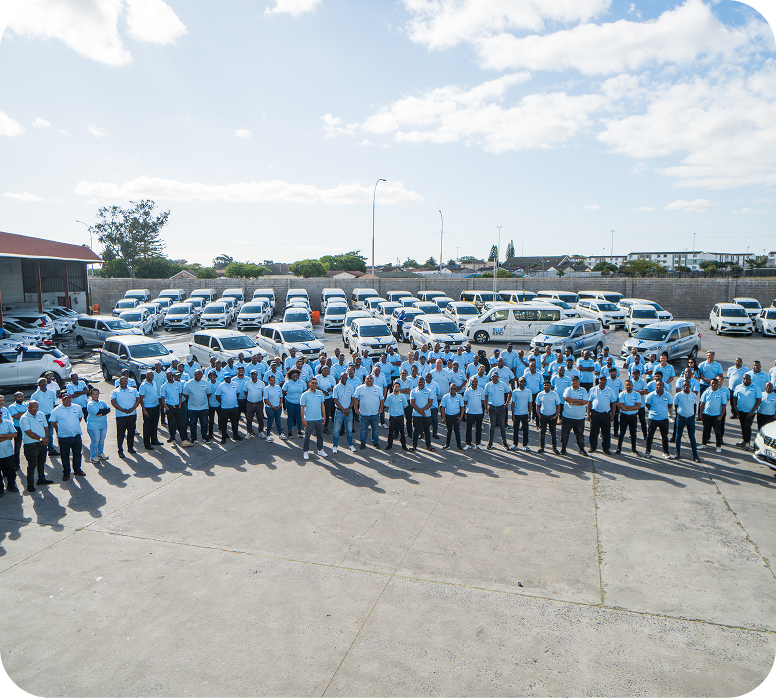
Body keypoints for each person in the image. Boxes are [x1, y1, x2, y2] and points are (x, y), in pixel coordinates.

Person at [49, 393, 85, 480]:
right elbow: (53, 422)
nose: (68, 400)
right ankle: (66, 472)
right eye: (66, 399)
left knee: (77, 453)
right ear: (62, 400)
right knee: (65, 455)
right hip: (64, 437)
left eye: (69, 398)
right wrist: (59, 429)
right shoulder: (56, 410)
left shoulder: (77, 407)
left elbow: (80, 418)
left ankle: (77, 469)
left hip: (76, 435)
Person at [20, 400, 54, 492]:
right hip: (31, 445)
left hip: (42, 443)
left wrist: (46, 438)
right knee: (32, 465)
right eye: (33, 407)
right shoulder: (24, 418)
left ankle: (41, 479)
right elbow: (28, 432)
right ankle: (30, 485)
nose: (35, 409)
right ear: (28, 408)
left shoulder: (41, 414)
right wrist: (41, 439)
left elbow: (46, 427)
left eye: (36, 407)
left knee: (41, 462)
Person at [110, 376, 141, 458]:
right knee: (120, 434)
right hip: (121, 416)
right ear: (119, 382)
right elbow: (113, 402)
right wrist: (122, 410)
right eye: (122, 381)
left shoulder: (133, 390)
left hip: (132, 415)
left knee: (131, 432)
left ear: (127, 382)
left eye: (125, 381)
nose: (123, 383)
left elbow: (138, 399)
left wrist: (133, 408)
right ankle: (120, 450)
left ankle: (130, 448)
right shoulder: (115, 391)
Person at [160, 371, 192, 447]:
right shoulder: (164, 386)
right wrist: (167, 408)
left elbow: (180, 395)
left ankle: (183, 440)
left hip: (177, 407)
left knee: (180, 424)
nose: (170, 376)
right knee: (171, 424)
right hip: (170, 407)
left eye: (171, 375)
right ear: (166, 376)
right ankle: (173, 440)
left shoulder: (178, 384)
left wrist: (180, 405)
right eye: (169, 375)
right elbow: (162, 399)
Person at [587, 376, 616, 455]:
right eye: (601, 380)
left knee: (606, 432)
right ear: (598, 380)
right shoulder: (593, 390)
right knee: (593, 431)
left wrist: (613, 414)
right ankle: (593, 447)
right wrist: (588, 413)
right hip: (595, 414)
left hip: (605, 414)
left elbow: (613, 403)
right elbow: (589, 402)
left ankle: (606, 448)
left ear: (606, 381)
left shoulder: (610, 391)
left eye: (604, 380)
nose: (602, 381)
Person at [31, 377, 59, 456]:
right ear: (38, 384)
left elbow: (54, 403)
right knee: (41, 433)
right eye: (41, 382)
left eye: (44, 382)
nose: (43, 383)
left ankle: (51, 449)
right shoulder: (35, 395)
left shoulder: (51, 393)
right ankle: (41, 449)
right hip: (40, 416)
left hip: (50, 415)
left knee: (50, 433)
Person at [732, 374, 761, 449]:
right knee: (742, 425)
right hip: (740, 410)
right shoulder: (738, 387)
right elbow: (734, 398)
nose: (745, 380)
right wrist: (735, 408)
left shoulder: (756, 388)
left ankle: (747, 442)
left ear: (750, 379)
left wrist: (753, 411)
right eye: (744, 379)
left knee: (747, 426)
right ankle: (744, 440)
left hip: (750, 411)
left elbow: (759, 401)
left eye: (747, 379)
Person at [300, 377, 327, 460]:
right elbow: (302, 408)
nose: (314, 384)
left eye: (316, 383)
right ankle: (305, 451)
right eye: (313, 383)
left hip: (319, 418)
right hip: (309, 419)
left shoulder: (320, 393)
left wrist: (324, 416)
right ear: (309, 384)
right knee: (307, 436)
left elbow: (322, 405)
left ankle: (320, 449)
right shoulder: (305, 395)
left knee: (320, 435)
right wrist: (303, 420)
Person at [560, 376, 588, 456]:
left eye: (576, 381)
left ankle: (581, 449)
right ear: (571, 382)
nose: (575, 383)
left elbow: (585, 402)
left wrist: (572, 402)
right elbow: (566, 398)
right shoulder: (568, 389)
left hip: (579, 418)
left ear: (579, 382)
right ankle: (563, 448)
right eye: (573, 381)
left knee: (580, 435)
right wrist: (579, 400)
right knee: (565, 434)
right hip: (567, 417)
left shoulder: (583, 390)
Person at [644, 381, 672, 459]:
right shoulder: (651, 395)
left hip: (664, 418)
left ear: (663, 386)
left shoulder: (668, 395)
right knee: (650, 436)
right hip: (653, 418)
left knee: (664, 436)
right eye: (657, 385)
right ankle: (648, 451)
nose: (659, 386)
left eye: (660, 385)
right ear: (655, 386)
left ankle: (666, 452)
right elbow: (647, 405)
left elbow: (670, 405)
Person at [355, 374, 384, 450]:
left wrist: (381, 409)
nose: (369, 380)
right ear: (365, 380)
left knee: (375, 429)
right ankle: (363, 443)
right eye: (368, 378)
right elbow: (356, 399)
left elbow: (381, 399)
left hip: (375, 413)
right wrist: (356, 409)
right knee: (363, 429)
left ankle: (375, 442)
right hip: (363, 413)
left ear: (373, 380)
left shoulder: (378, 389)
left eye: (371, 378)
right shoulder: (359, 388)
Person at [674, 380, 700, 462]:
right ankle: (677, 452)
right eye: (684, 385)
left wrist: (693, 415)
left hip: (690, 419)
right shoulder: (678, 395)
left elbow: (694, 405)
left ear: (690, 386)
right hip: (681, 418)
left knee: (692, 437)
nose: (686, 386)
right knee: (678, 435)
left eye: (688, 385)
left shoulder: (693, 395)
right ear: (682, 386)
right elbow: (676, 406)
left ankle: (695, 455)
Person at [483, 372, 510, 451]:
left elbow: (509, 392)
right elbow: (485, 396)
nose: (494, 378)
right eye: (493, 377)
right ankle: (490, 443)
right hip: (492, 408)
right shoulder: (488, 385)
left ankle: (504, 443)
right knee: (492, 426)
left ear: (498, 377)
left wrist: (507, 403)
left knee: (502, 426)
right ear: (491, 378)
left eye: (496, 376)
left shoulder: (503, 384)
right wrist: (486, 407)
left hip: (501, 408)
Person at [184, 369, 212, 444]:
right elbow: (185, 394)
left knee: (204, 423)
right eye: (198, 374)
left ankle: (204, 437)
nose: (199, 375)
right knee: (193, 424)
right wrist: (193, 399)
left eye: (201, 374)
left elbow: (208, 393)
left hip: (204, 407)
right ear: (194, 374)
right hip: (192, 408)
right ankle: (194, 438)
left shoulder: (206, 383)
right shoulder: (188, 383)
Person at [331, 371, 356, 454]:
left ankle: (350, 445)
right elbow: (335, 400)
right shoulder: (336, 388)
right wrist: (343, 410)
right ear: (340, 378)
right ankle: (335, 446)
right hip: (339, 412)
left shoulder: (350, 387)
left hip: (349, 411)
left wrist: (349, 408)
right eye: (343, 377)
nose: (344, 379)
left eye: (346, 378)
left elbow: (353, 399)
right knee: (336, 430)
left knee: (349, 430)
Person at [700, 378, 726, 453]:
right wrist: (701, 414)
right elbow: (702, 403)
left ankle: (718, 446)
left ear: (718, 384)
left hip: (716, 416)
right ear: (710, 384)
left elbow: (724, 406)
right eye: (712, 383)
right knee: (705, 430)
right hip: (707, 415)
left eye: (715, 383)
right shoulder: (706, 392)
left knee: (717, 432)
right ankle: (704, 444)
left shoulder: (721, 393)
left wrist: (721, 416)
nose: (714, 385)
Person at [535, 380, 562, 454]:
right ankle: (542, 447)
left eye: (548, 385)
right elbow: (537, 405)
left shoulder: (554, 394)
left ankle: (554, 448)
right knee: (542, 432)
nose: (546, 387)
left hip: (552, 417)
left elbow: (558, 405)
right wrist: (539, 415)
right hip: (543, 416)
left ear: (550, 386)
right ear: (543, 386)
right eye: (545, 385)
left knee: (553, 433)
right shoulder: (540, 394)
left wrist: (556, 415)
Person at [409, 377, 434, 452]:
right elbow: (412, 403)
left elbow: (430, 403)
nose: (421, 383)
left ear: (424, 382)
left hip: (426, 414)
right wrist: (420, 411)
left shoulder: (429, 391)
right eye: (419, 382)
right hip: (416, 415)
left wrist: (422, 411)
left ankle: (428, 445)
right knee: (416, 430)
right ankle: (414, 446)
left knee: (427, 430)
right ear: (417, 383)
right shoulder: (413, 391)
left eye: (422, 382)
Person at [616, 380, 641, 455]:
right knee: (621, 433)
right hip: (624, 416)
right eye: (626, 385)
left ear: (632, 386)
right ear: (624, 386)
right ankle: (619, 449)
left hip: (633, 416)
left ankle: (634, 449)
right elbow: (621, 406)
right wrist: (633, 407)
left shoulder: (637, 394)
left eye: (629, 385)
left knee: (633, 433)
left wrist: (627, 408)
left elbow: (638, 406)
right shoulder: (622, 394)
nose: (628, 386)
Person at [215, 373, 242, 442]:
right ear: (224, 378)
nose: (228, 379)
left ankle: (235, 435)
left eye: (229, 377)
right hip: (225, 408)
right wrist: (224, 402)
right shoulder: (220, 386)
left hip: (234, 407)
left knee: (235, 422)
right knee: (224, 423)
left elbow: (237, 394)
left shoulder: (235, 384)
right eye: (226, 378)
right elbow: (217, 396)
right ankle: (224, 437)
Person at [138, 371, 162, 450]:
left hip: (155, 406)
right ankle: (147, 444)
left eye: (152, 375)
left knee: (154, 425)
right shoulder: (143, 385)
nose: (151, 376)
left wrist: (159, 404)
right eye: (150, 375)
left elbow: (156, 394)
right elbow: (141, 399)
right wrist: (144, 410)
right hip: (148, 408)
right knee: (147, 426)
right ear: (146, 376)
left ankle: (154, 440)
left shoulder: (154, 383)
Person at [86, 388, 110, 464]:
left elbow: (108, 409)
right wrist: (103, 411)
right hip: (94, 426)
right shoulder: (90, 404)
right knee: (95, 441)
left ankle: (100, 454)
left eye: (97, 394)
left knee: (101, 440)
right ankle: (93, 457)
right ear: (91, 395)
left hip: (103, 425)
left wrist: (101, 413)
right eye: (94, 394)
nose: (95, 396)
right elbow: (98, 412)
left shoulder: (102, 402)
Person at [384, 382, 409, 451]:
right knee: (391, 432)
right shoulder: (390, 396)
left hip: (400, 416)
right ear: (393, 387)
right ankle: (389, 445)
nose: (397, 388)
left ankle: (403, 445)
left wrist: (399, 409)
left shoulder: (402, 396)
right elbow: (386, 405)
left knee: (402, 432)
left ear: (399, 388)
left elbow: (405, 405)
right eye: (395, 387)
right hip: (392, 416)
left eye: (398, 387)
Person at [463, 376, 485, 450]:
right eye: (473, 382)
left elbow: (482, 400)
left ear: (477, 382)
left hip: (479, 412)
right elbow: (465, 401)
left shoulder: (481, 390)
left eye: (475, 382)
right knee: (468, 429)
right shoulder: (467, 391)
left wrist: (477, 405)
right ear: (470, 382)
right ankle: (468, 444)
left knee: (478, 429)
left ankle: (478, 444)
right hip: (470, 412)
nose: (474, 383)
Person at [510, 377, 532, 451]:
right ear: (518, 382)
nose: (522, 383)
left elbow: (530, 403)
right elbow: (513, 403)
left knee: (525, 430)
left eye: (524, 382)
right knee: (515, 430)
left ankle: (525, 445)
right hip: (517, 413)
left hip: (525, 413)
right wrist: (512, 414)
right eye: (521, 382)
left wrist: (529, 414)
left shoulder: (528, 392)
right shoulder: (515, 391)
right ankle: (515, 444)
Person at [283, 369, 306, 438]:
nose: (295, 377)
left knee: (299, 417)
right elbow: (283, 392)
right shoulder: (287, 383)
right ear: (290, 376)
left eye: (296, 375)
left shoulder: (302, 382)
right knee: (290, 417)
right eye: (293, 376)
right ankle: (290, 432)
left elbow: (305, 392)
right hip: (290, 402)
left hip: (299, 403)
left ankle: (299, 431)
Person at [440, 384, 464, 451]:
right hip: (448, 417)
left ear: (456, 389)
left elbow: (462, 407)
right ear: (449, 389)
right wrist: (443, 418)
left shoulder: (459, 397)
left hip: (456, 416)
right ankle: (447, 445)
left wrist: (461, 417)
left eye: (454, 389)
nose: (453, 390)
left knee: (457, 431)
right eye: (451, 389)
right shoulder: (445, 397)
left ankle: (459, 446)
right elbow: (443, 408)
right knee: (449, 431)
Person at [245, 370, 268, 439]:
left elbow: (263, 393)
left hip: (259, 403)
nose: (253, 375)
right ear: (250, 375)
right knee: (249, 419)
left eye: (254, 374)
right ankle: (249, 432)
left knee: (260, 418)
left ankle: (261, 432)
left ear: (257, 375)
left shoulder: (261, 383)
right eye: (252, 374)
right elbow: (245, 392)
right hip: (250, 404)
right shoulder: (247, 383)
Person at [8, 392, 27, 470]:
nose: (20, 398)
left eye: (21, 396)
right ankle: (16, 464)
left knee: (29, 445)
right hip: (18, 428)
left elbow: (31, 413)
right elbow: (16, 416)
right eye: (18, 397)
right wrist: (26, 413)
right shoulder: (12, 406)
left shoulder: (26, 405)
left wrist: (20, 413)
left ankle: (32, 461)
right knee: (17, 448)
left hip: (27, 428)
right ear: (14, 398)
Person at [317, 365, 336, 434]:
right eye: (325, 371)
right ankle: (317, 428)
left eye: (327, 371)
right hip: (319, 398)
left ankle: (325, 427)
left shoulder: (331, 378)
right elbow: (315, 387)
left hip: (328, 398)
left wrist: (331, 389)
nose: (326, 372)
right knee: (318, 413)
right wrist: (324, 392)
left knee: (326, 413)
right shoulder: (317, 377)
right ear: (322, 371)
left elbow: (334, 387)